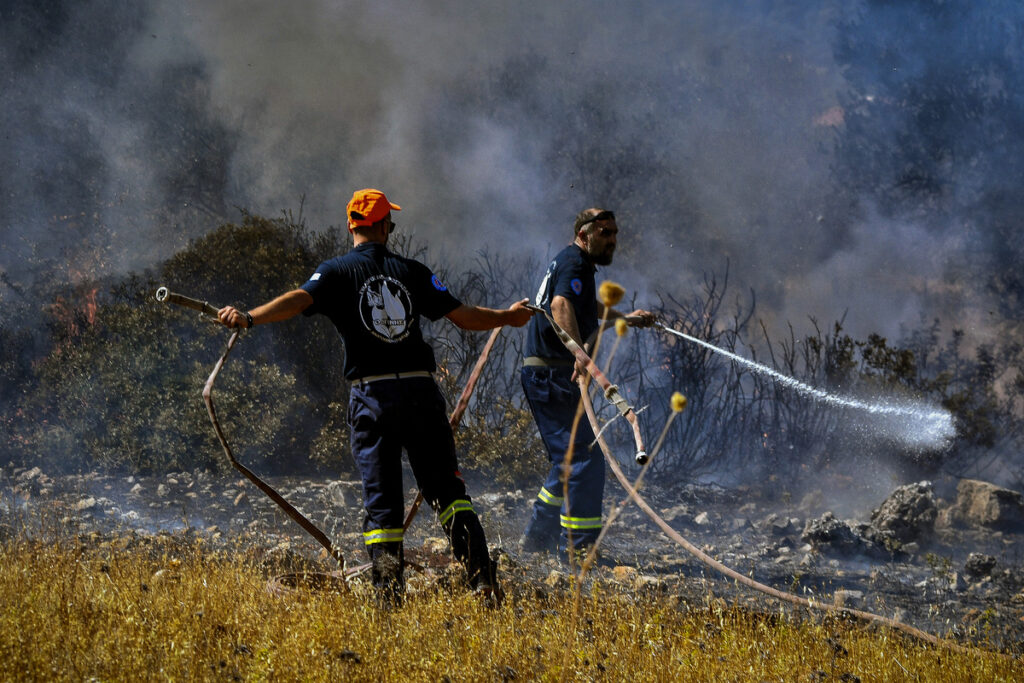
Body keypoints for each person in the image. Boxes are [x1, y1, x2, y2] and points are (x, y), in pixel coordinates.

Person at [218, 188, 532, 605]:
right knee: (448, 492)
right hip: (420, 393)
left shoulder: (334, 272)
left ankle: (387, 598)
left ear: (351, 225)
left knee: (383, 502)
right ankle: (484, 584)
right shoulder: (413, 271)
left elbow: (298, 300)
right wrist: (508, 318)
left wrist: (250, 317)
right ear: (385, 227)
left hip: (373, 397)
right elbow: (464, 317)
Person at [520, 207, 655, 559]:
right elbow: (561, 303)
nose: (612, 240)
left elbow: (581, 304)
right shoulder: (576, 263)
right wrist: (580, 354)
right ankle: (579, 551)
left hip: (546, 373)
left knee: (568, 457)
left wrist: (626, 317)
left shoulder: (573, 263)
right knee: (584, 459)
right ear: (584, 235)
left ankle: (537, 539)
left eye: (614, 233)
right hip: (552, 374)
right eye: (604, 233)